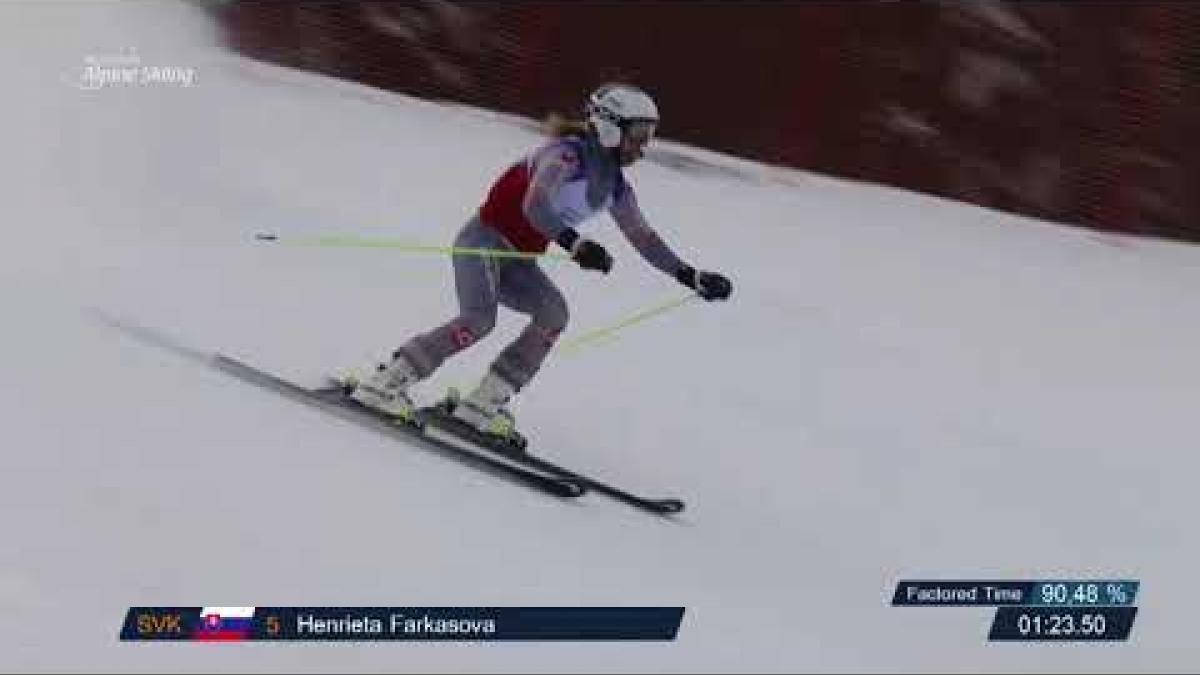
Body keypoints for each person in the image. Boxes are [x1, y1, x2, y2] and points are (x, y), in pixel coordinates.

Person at [350, 83, 733, 444]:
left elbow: (644, 239)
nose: (642, 147)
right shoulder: (565, 153)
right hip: (484, 242)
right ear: (609, 127)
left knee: (554, 314)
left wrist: (690, 275)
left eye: (648, 136)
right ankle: (385, 384)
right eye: (638, 134)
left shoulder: (615, 186)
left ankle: (482, 403)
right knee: (479, 320)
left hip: (518, 262)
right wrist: (575, 244)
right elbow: (535, 204)